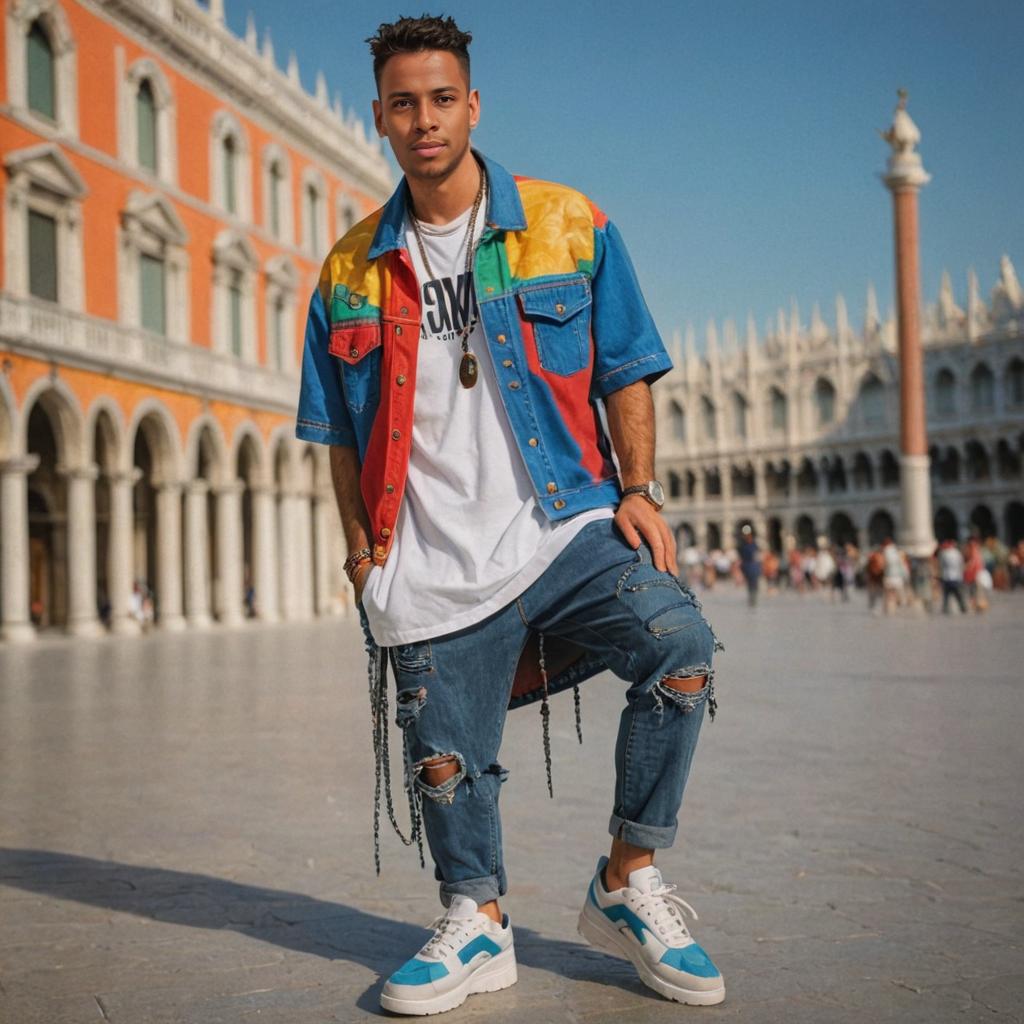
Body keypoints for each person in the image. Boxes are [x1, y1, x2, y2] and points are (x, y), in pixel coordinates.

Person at [294, 15, 725, 1015]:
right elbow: (341, 436)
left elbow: (624, 368)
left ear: (472, 104)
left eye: (441, 98)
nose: (424, 120)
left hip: (565, 525)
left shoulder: (566, 223)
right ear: (381, 118)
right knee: (447, 763)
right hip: (428, 556)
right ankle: (475, 920)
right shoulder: (349, 270)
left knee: (681, 644)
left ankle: (626, 877)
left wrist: (639, 487)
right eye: (403, 103)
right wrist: (364, 555)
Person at [937, 538, 967, 614]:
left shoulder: (944, 553)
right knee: (958, 594)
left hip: (947, 577)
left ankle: (945, 609)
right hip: (956, 577)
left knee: (946, 596)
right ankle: (963, 608)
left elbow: (941, 565)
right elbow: (961, 564)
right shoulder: (957, 553)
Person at [738, 525, 761, 607]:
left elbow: (757, 556)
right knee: (750, 584)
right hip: (747, 566)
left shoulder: (754, 544)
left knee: (754, 584)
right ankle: (751, 600)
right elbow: (741, 556)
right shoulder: (743, 545)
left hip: (753, 566)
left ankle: (753, 600)